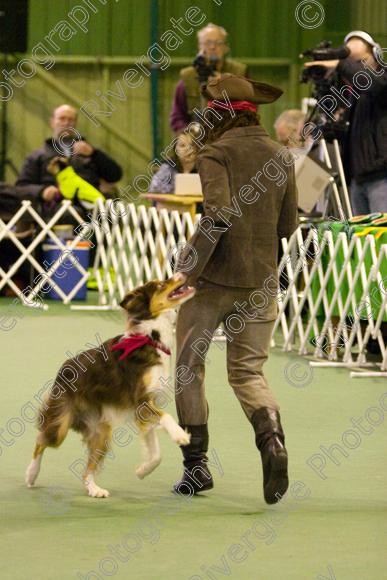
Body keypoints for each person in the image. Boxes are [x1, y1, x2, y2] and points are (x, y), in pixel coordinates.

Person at [172, 74, 299, 504]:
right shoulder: (280, 155)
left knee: (190, 367)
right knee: (247, 373)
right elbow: (288, 227)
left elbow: (218, 217)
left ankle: (196, 468)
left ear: (220, 114)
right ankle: (273, 443)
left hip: (211, 283)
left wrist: (185, 273)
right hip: (260, 282)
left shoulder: (216, 153)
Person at [304, 31, 387, 215]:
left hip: (381, 175)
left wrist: (340, 63)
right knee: (362, 240)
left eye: (359, 62)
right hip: (357, 178)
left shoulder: (382, 79)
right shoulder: (353, 95)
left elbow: (371, 84)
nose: (354, 68)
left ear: (377, 55)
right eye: (351, 64)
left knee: (382, 237)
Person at [16, 104, 122, 213]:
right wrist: (41, 191)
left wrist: (94, 153)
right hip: (54, 208)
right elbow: (21, 187)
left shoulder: (90, 152)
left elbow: (115, 175)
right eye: (62, 118)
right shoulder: (37, 156)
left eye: (71, 120)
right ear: (52, 122)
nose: (66, 123)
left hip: (91, 207)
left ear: (75, 123)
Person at [170, 23, 247, 133]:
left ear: (226, 47)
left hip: (231, 137)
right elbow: (177, 117)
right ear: (199, 46)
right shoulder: (188, 77)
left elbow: (249, 111)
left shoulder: (239, 73)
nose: (212, 47)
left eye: (218, 43)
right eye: (207, 43)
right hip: (197, 139)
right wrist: (189, 133)